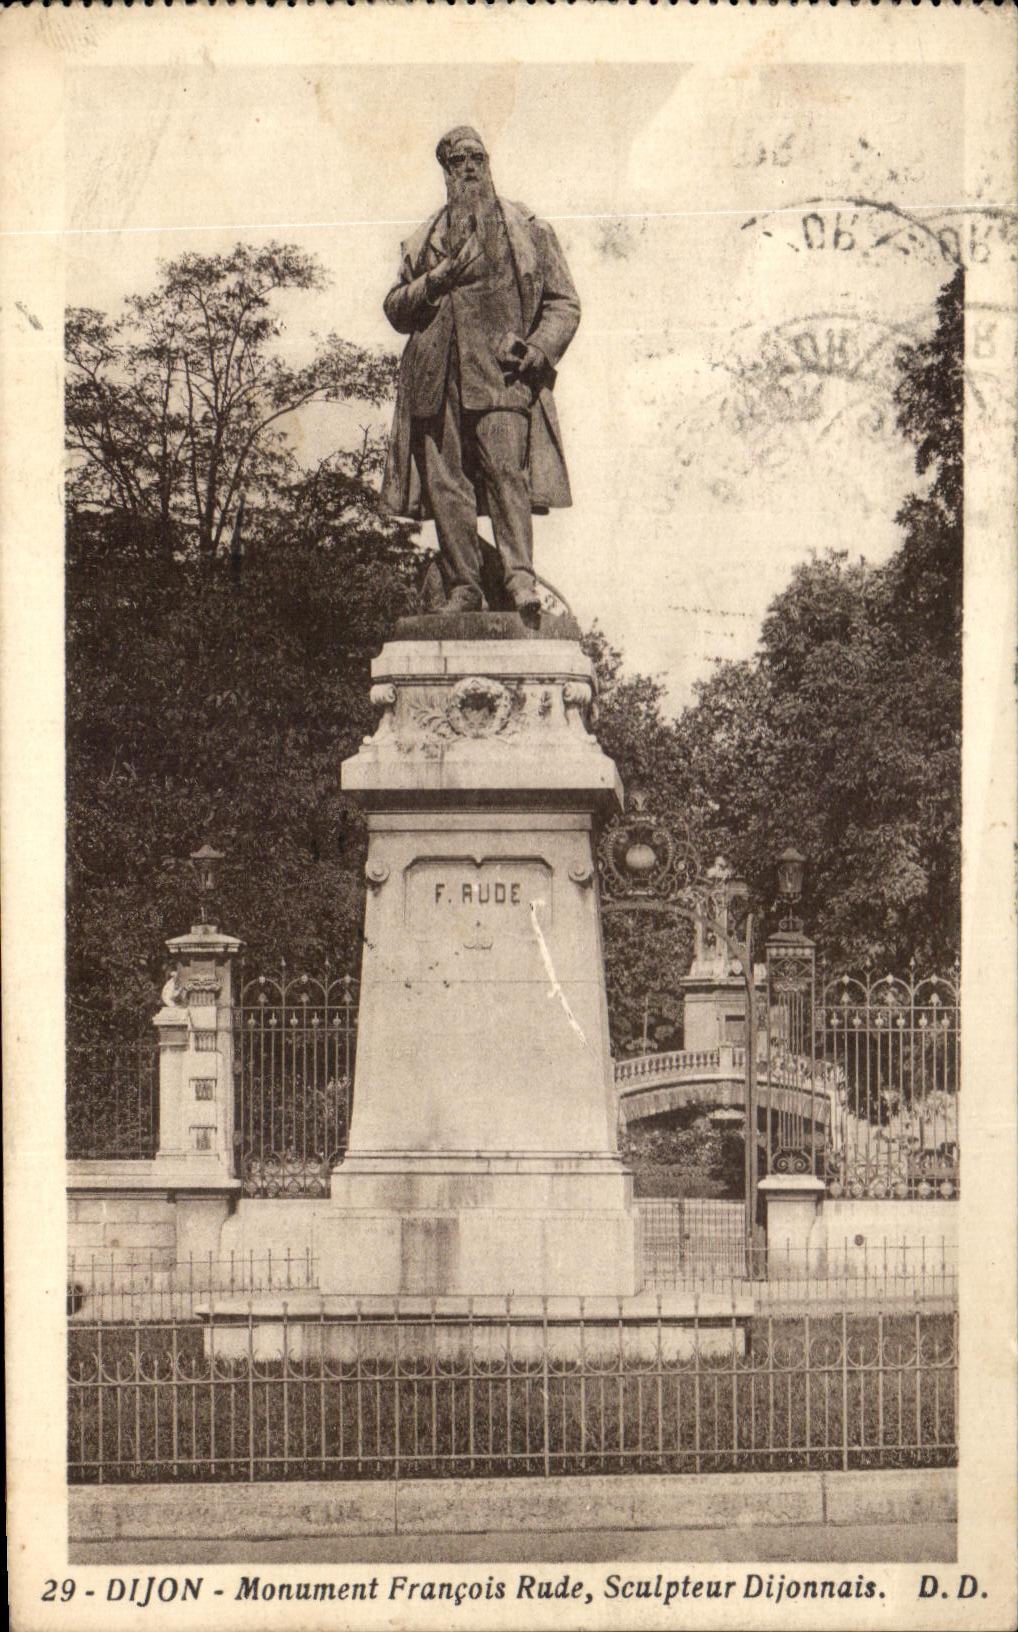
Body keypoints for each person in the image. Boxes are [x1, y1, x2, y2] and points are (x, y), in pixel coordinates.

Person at [380, 127, 580, 619]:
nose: (468, 168)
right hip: (435, 377)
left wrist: (538, 351)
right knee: (445, 485)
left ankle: (519, 582)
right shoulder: (424, 239)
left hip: (501, 373)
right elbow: (395, 307)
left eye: (476, 158)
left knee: (506, 474)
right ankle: (463, 586)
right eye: (457, 161)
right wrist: (436, 280)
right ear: (445, 171)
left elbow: (563, 303)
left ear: (488, 164)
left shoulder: (528, 229)